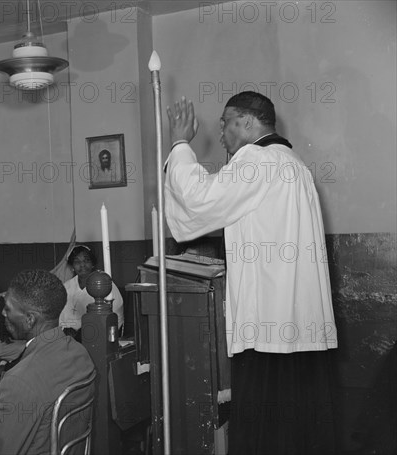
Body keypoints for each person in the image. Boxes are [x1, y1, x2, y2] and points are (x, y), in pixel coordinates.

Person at [164, 92, 338, 455]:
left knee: (265, 434)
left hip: (268, 331)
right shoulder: (293, 164)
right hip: (300, 330)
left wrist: (180, 143)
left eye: (226, 121)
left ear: (248, 122)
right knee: (297, 431)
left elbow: (198, 201)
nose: (221, 130)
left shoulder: (256, 160)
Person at [0, 269, 95, 455]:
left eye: (8, 308)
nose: (2, 312)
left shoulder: (19, 381)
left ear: (30, 319)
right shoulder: (79, 353)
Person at [59, 245, 124, 339]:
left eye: (86, 260)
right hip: (68, 337)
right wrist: (65, 329)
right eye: (77, 262)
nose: (82, 265)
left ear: (93, 263)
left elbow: (116, 315)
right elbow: (60, 316)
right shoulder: (66, 287)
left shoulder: (105, 284)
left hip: (97, 335)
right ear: (72, 266)